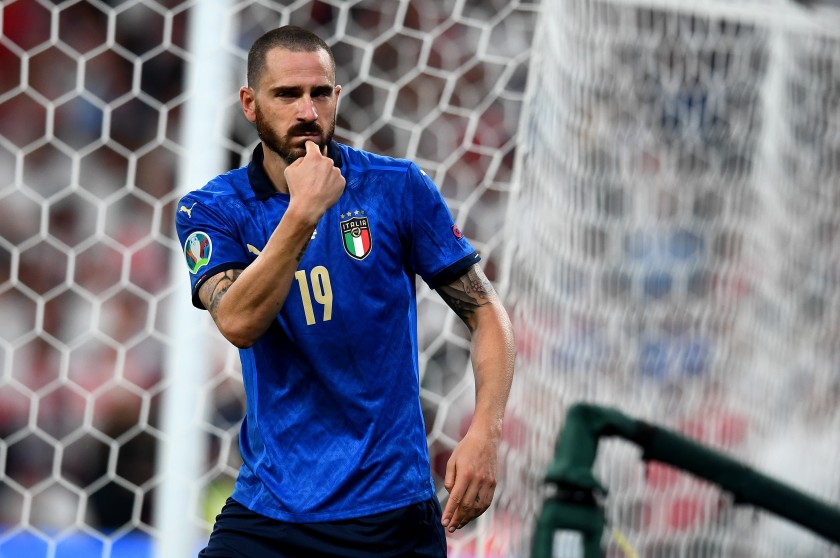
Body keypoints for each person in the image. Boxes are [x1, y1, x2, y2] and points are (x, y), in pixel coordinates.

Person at [175, 25, 515, 557]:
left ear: (336, 97)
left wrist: (485, 432)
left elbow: (486, 312)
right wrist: (303, 211)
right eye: (287, 94)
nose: (307, 111)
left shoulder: (396, 187)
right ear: (250, 103)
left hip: (390, 513)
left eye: (319, 93)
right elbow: (238, 323)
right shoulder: (212, 209)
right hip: (271, 511)